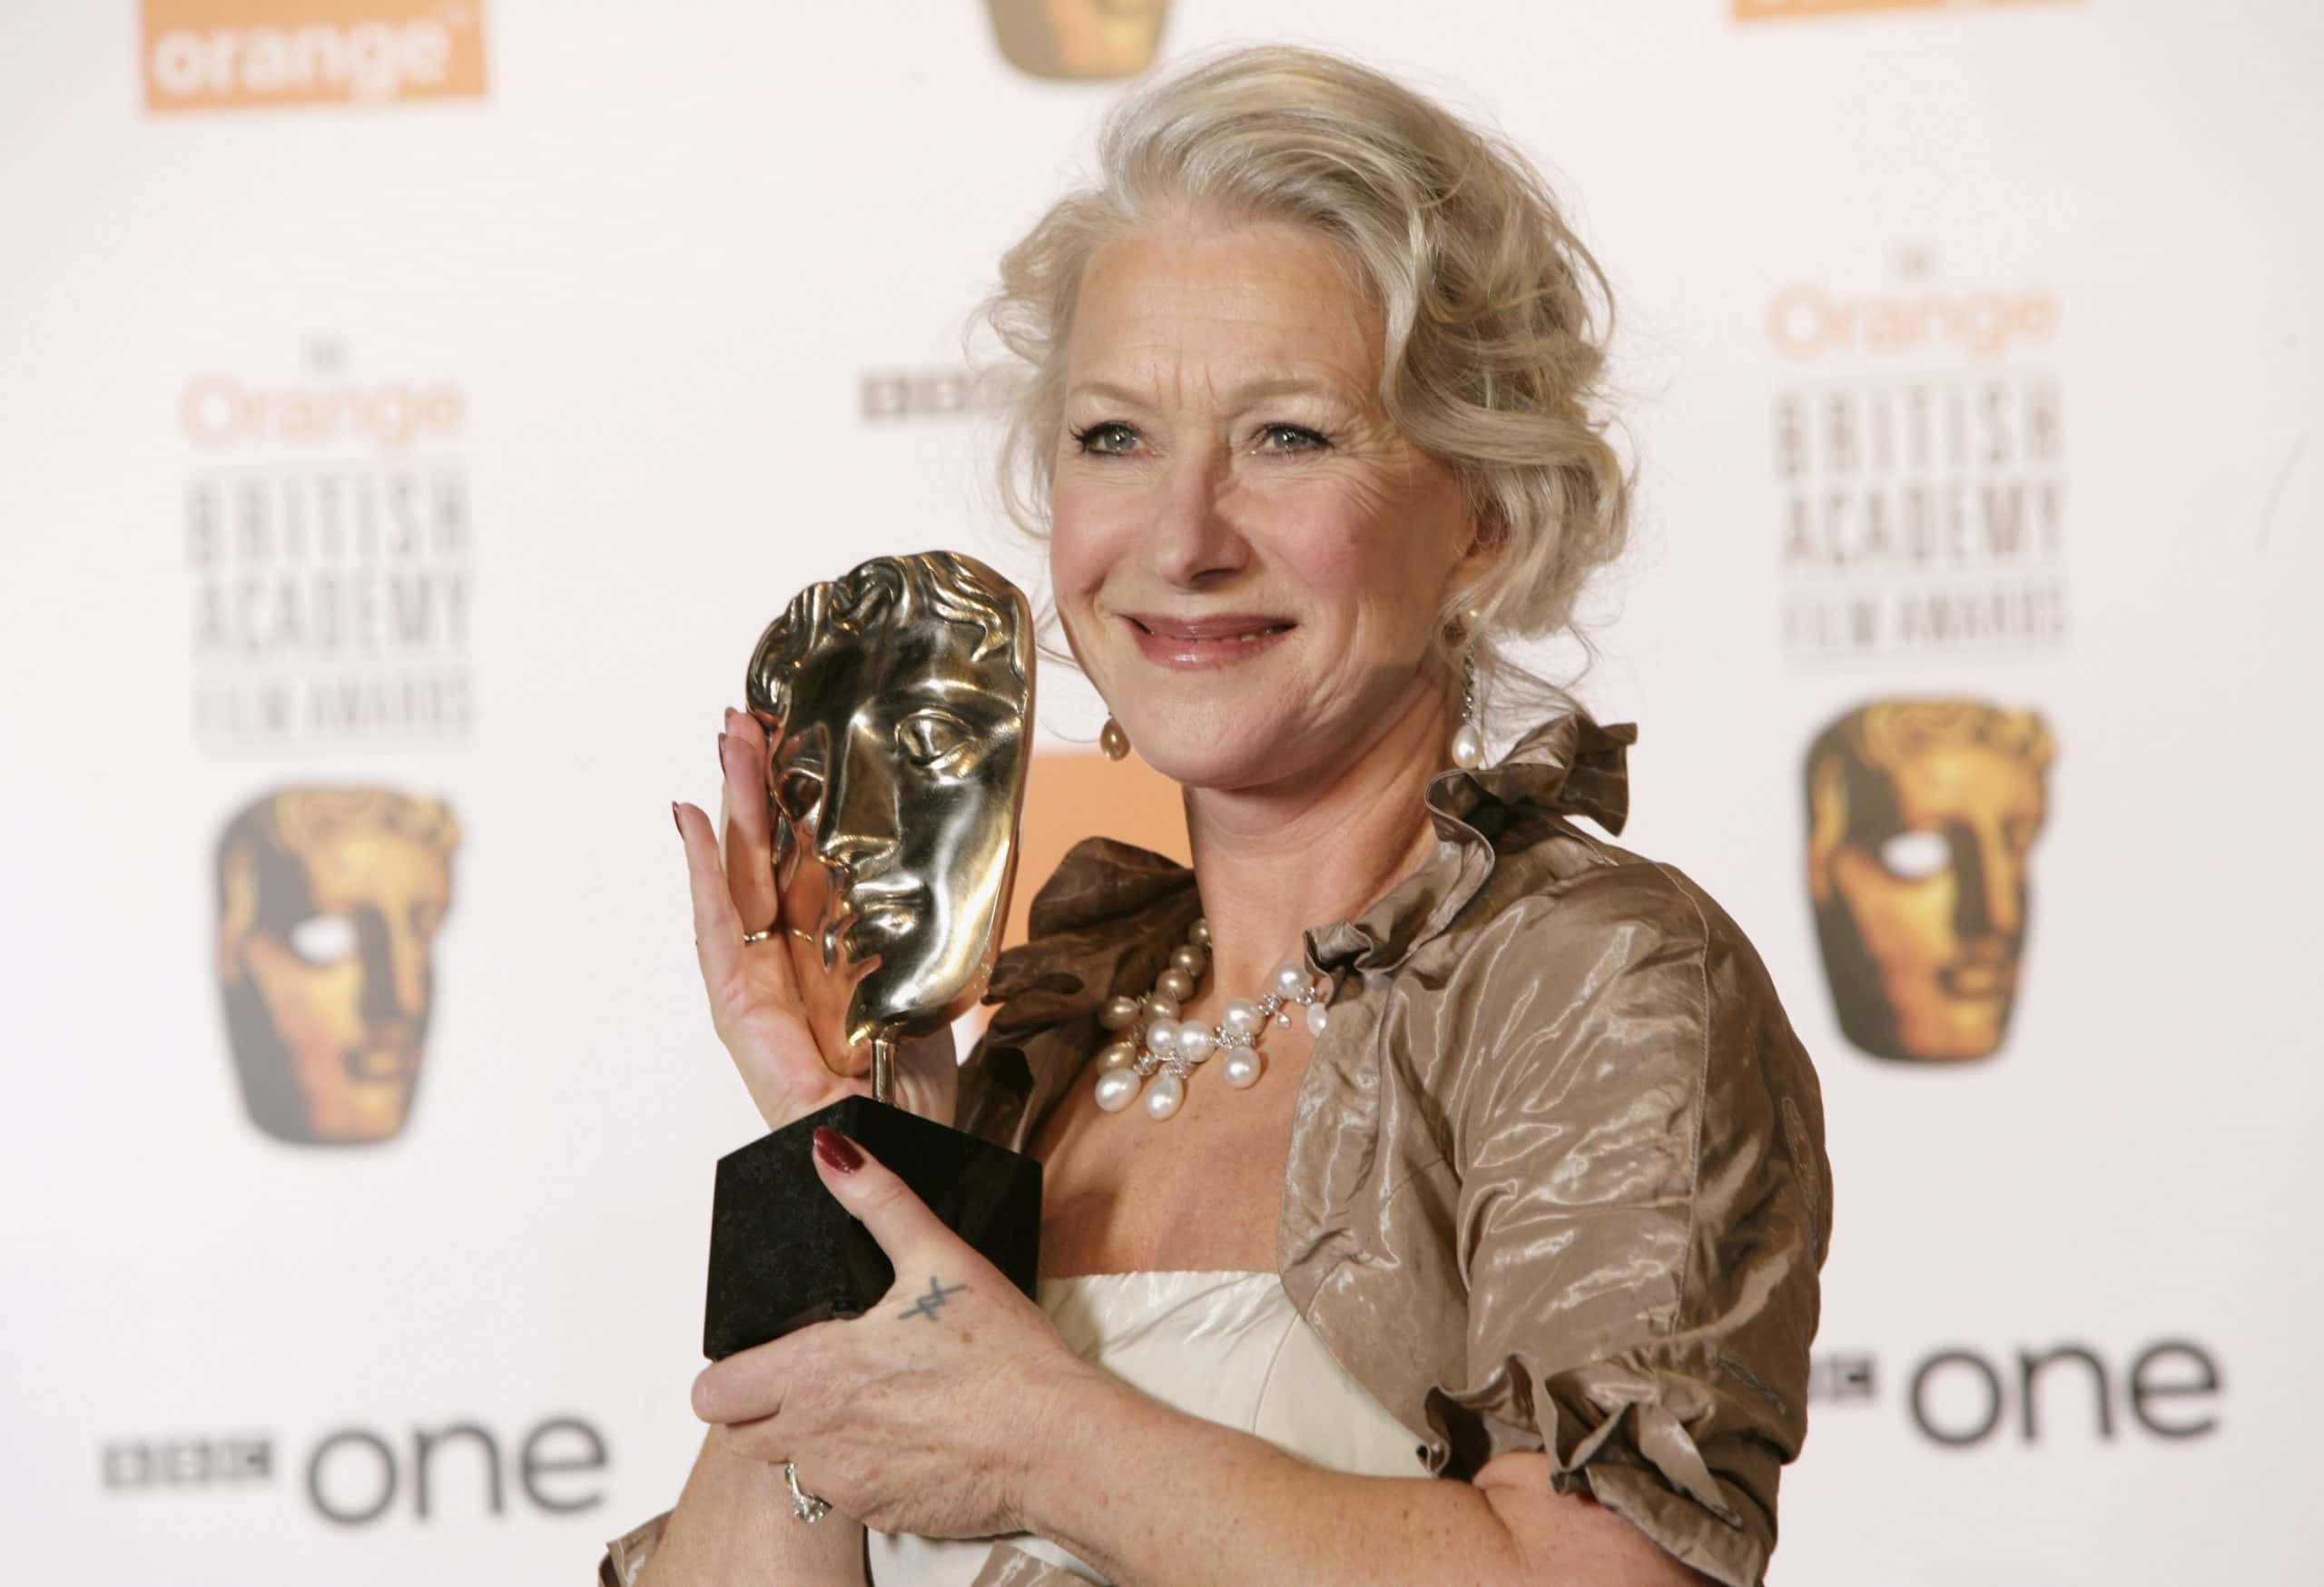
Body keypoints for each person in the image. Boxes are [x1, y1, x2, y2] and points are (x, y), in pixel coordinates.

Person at [615, 43, 1830, 1587]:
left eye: (1289, 437)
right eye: (1114, 436)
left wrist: (1047, 1439)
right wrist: (833, 1148)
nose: (1182, 539)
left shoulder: (1583, 984)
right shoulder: (1049, 1037)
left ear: (1483, 519)